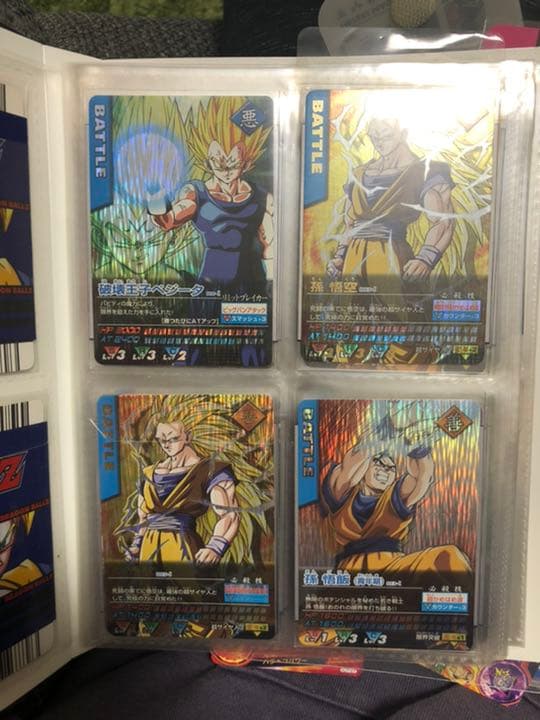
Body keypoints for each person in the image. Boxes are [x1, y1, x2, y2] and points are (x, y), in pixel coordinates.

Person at [116, 395, 270, 568]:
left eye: (172, 438)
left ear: (188, 436)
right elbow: (143, 517)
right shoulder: (149, 473)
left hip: (183, 549)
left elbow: (230, 514)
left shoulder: (210, 470)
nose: (166, 445)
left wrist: (216, 547)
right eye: (161, 439)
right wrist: (137, 544)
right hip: (148, 552)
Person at [148, 96, 273, 295]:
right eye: (218, 162)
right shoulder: (196, 193)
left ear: (246, 163)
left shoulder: (261, 196)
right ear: (207, 162)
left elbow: (272, 244)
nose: (226, 169)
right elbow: (168, 221)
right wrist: (156, 201)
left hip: (252, 281)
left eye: (233, 162)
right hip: (212, 281)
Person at [327, 116, 455, 288]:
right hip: (352, 261)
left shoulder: (425, 171)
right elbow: (350, 224)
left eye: (386, 136)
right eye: (374, 137)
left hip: (392, 258)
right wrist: (340, 256)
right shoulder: (359, 173)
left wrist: (426, 258)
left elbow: (443, 221)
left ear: (403, 134)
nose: (379, 143)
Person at [321, 441, 472, 584]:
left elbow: (420, 477)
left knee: (448, 556)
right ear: (365, 466)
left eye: (391, 468)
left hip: (393, 569)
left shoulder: (394, 499)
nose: (385, 470)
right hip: (350, 573)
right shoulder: (344, 494)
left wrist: (418, 447)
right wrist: (376, 437)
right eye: (378, 463)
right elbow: (349, 468)